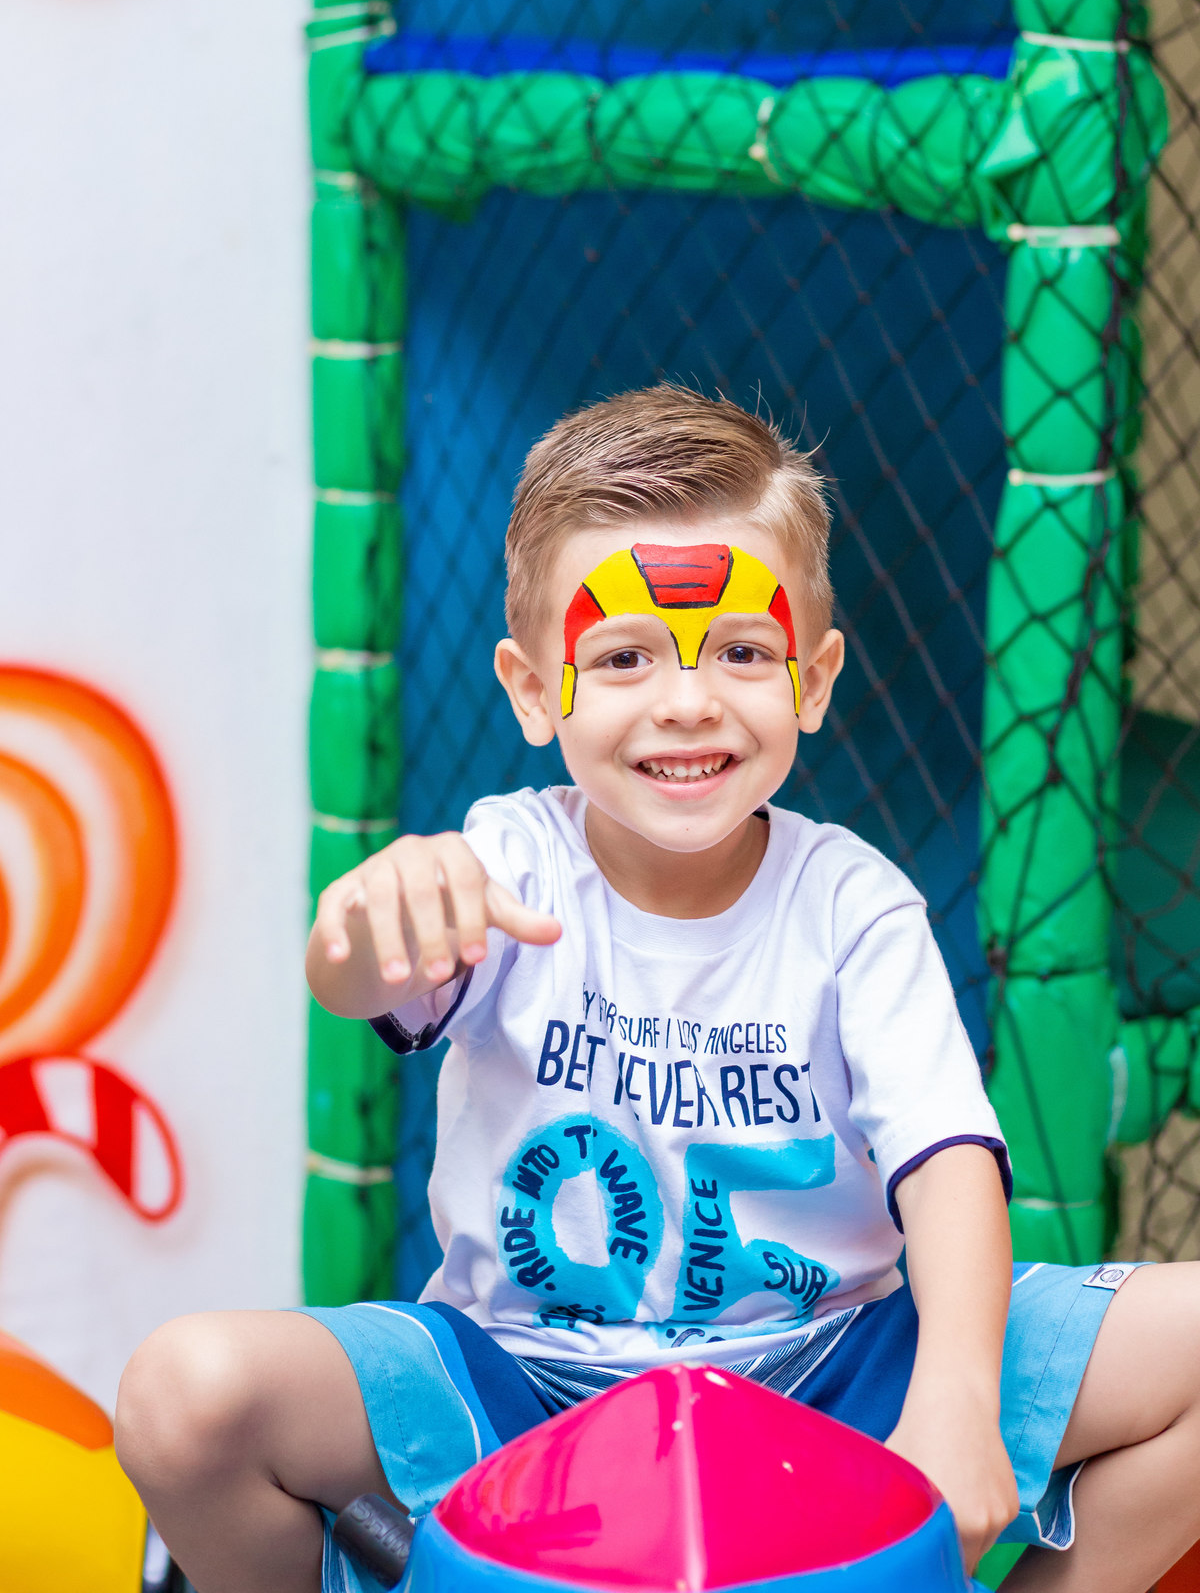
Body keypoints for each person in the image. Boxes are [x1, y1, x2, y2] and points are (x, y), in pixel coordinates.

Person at [116, 386, 1200, 1593]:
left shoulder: (852, 903)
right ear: (534, 692)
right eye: (623, 658)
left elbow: (947, 1161)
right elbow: (359, 975)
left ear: (814, 677)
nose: (687, 701)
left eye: (741, 651)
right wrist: (367, 914)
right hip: (524, 1386)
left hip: (830, 1368)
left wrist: (953, 1402)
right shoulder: (505, 864)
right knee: (184, 1393)